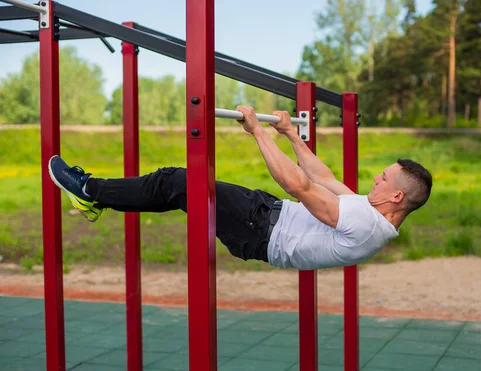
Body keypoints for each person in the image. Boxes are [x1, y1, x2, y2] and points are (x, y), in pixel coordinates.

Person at [48, 106, 432, 270]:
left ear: (397, 196)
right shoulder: (369, 213)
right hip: (264, 217)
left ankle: (89, 189)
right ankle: (94, 197)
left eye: (384, 178)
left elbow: (299, 185)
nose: (376, 179)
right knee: (179, 191)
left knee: (176, 181)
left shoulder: (366, 225)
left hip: (260, 230)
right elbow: (324, 178)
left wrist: (258, 131)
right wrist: (291, 135)